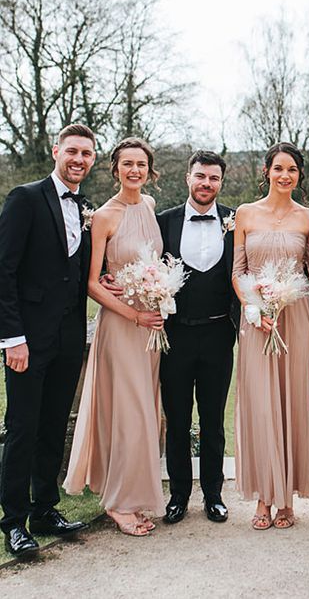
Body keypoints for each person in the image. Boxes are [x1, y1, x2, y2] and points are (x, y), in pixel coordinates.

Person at [0, 125, 95, 556]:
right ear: (56, 151)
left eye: (87, 154)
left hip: (68, 339)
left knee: (53, 426)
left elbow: (77, 273)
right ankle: (14, 522)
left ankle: (44, 509)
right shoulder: (25, 198)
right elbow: (4, 271)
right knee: (22, 428)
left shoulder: (87, 208)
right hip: (27, 341)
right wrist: (12, 339)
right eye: (72, 151)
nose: (79, 159)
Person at [63, 137, 166, 536]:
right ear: (115, 168)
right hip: (123, 326)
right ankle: (119, 503)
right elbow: (92, 283)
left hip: (152, 327)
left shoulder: (151, 206)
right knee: (127, 412)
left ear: (149, 169)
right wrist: (134, 315)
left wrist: (158, 299)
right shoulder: (104, 216)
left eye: (141, 164)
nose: (134, 171)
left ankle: (135, 495)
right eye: (127, 164)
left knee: (145, 413)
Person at [232, 142, 309, 530]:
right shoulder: (245, 214)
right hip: (256, 319)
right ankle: (264, 498)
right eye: (278, 168)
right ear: (266, 171)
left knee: (293, 399)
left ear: (299, 176)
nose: (285, 176)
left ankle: (287, 499)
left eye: (292, 170)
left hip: (297, 316)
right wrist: (254, 306)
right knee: (261, 403)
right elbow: (238, 271)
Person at [156, 151, 239, 525]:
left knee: (212, 419)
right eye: (201, 176)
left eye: (214, 178)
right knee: (176, 418)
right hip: (175, 336)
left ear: (221, 183)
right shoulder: (164, 222)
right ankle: (178, 495)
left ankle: (214, 495)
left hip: (220, 333)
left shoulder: (235, 222)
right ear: (188, 178)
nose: (207, 184)